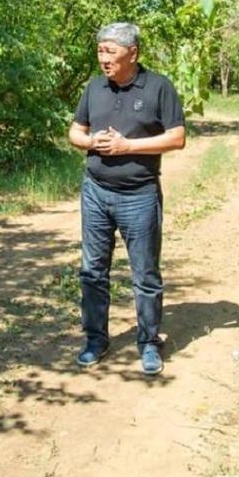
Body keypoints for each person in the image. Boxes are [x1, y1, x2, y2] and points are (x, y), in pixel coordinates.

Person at [67, 22, 185, 376]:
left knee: (145, 274)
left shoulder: (159, 87)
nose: (103, 58)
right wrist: (90, 143)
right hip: (96, 193)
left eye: (110, 51)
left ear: (132, 53)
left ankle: (149, 343)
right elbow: (75, 130)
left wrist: (127, 146)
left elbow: (177, 137)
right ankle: (95, 339)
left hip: (140, 196)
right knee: (92, 271)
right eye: (100, 50)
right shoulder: (94, 87)